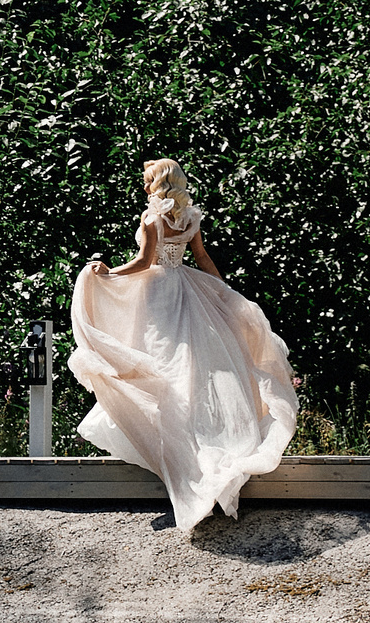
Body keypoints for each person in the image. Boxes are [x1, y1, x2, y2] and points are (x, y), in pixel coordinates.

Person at [69, 158, 298, 533]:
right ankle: (196, 438)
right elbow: (202, 258)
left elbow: (144, 262)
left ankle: (182, 449)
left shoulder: (152, 218)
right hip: (189, 289)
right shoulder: (190, 216)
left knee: (164, 362)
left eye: (146, 180)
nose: (144, 186)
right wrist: (224, 291)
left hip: (158, 292)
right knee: (194, 364)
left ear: (158, 183)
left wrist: (109, 273)